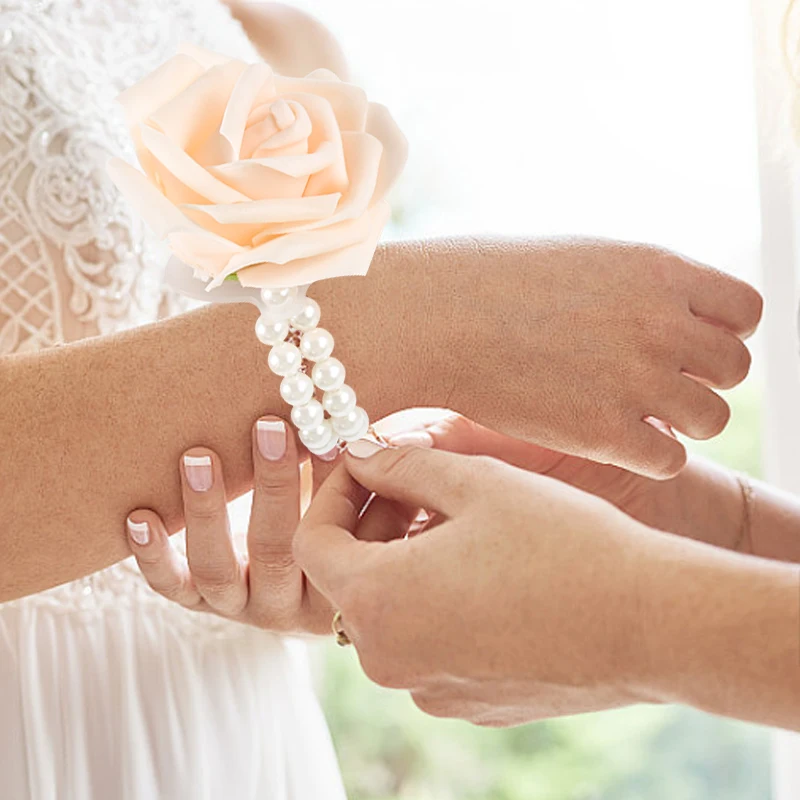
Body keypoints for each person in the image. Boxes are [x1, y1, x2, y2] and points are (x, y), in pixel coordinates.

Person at [0, 3, 763, 799]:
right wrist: (424, 320)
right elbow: (335, 345)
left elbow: (313, 420)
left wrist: (332, 518)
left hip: (227, 708)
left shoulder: (275, 37)